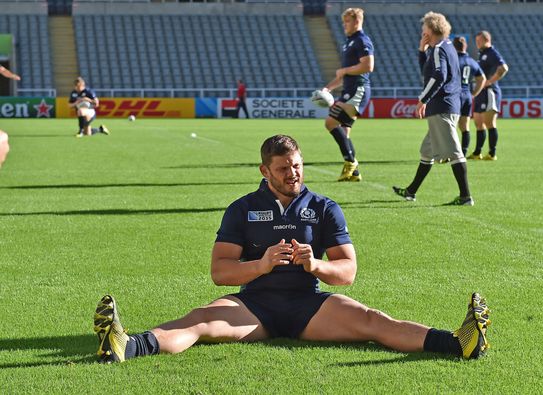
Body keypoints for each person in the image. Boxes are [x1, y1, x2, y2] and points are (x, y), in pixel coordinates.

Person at [93, 134, 491, 363]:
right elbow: (220, 271)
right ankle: (126, 345)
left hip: (310, 306)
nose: (293, 174)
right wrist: (261, 266)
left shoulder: (324, 208)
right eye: (283, 169)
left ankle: (459, 342)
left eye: (297, 165)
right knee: (198, 320)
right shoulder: (243, 208)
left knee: (373, 320)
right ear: (265, 171)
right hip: (253, 305)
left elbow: (348, 272)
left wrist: (315, 264)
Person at [393, 12, 474, 206]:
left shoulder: (439, 49)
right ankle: (411, 191)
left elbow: (438, 76)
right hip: (449, 105)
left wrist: (423, 99)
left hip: (442, 106)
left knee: (455, 153)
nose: (422, 32)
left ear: (430, 29)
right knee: (426, 151)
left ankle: (466, 197)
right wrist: (422, 50)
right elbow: (428, 73)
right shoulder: (447, 47)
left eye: (424, 29)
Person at [320, 8, 374, 182]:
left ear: (357, 21)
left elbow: (368, 66)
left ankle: (351, 162)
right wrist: (328, 88)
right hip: (349, 90)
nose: (344, 25)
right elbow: (344, 75)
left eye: (347, 22)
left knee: (330, 122)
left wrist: (345, 70)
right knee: (344, 131)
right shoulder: (349, 42)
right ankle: (354, 173)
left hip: (358, 90)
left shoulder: (361, 40)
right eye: (343, 22)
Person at [468, 31, 509, 161]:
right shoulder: (483, 54)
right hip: (481, 92)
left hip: (490, 92)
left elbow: (504, 68)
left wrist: (490, 82)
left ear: (486, 40)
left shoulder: (492, 53)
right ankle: (477, 152)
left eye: (479, 41)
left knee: (489, 122)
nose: (477, 44)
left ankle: (492, 153)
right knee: (478, 122)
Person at [453, 36, 485, 157]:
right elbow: (482, 79)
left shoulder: (453, 60)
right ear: (465, 47)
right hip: (467, 95)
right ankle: (463, 152)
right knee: (465, 126)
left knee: (452, 126)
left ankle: (450, 154)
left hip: (454, 95)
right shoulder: (471, 61)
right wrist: (474, 94)